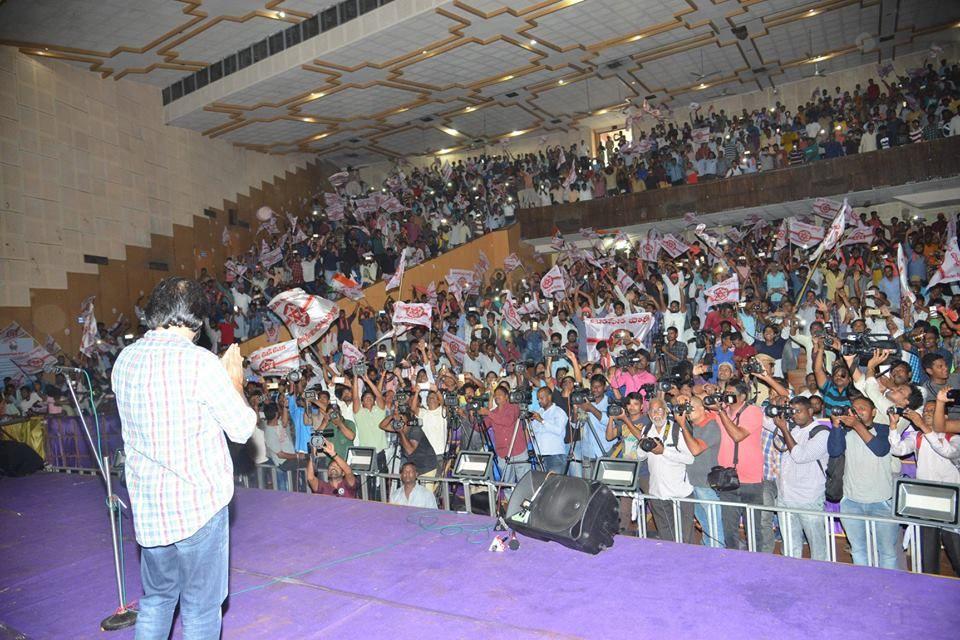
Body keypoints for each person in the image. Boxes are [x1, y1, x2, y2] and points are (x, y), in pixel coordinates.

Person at [113, 277, 256, 640]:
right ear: (196, 320)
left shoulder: (124, 360)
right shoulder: (200, 364)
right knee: (200, 610)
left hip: (150, 510)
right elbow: (241, 429)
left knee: (157, 601)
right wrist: (234, 382)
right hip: (197, 508)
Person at [827, 396, 898, 569]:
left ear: (873, 412)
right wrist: (836, 426)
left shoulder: (883, 429)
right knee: (858, 550)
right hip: (852, 501)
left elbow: (880, 450)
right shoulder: (846, 431)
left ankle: (889, 588)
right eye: (854, 408)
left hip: (881, 501)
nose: (857, 411)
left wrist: (857, 425)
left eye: (862, 408)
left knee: (887, 551)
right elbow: (834, 451)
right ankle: (864, 585)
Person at [772, 396, 830, 560]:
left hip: (808, 499)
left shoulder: (822, 433)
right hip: (786, 496)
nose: (795, 415)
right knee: (790, 547)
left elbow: (800, 456)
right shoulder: (794, 429)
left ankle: (820, 577)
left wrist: (784, 429)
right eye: (792, 411)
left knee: (817, 547)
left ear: (810, 411)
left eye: (799, 411)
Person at [632, 398, 695, 543]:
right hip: (657, 492)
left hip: (679, 492)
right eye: (652, 411)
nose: (656, 414)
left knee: (686, 538)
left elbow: (690, 459)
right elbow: (641, 457)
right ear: (648, 414)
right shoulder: (646, 430)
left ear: (666, 411)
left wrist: (664, 451)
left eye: (659, 409)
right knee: (666, 536)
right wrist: (643, 446)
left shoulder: (676, 430)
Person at [528, 386, 568, 473]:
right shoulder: (539, 412)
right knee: (542, 485)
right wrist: (531, 422)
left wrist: (542, 421)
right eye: (538, 399)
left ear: (549, 397)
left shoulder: (559, 412)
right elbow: (533, 432)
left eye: (541, 398)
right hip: (540, 456)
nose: (539, 401)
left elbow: (558, 430)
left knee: (555, 485)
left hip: (555, 456)